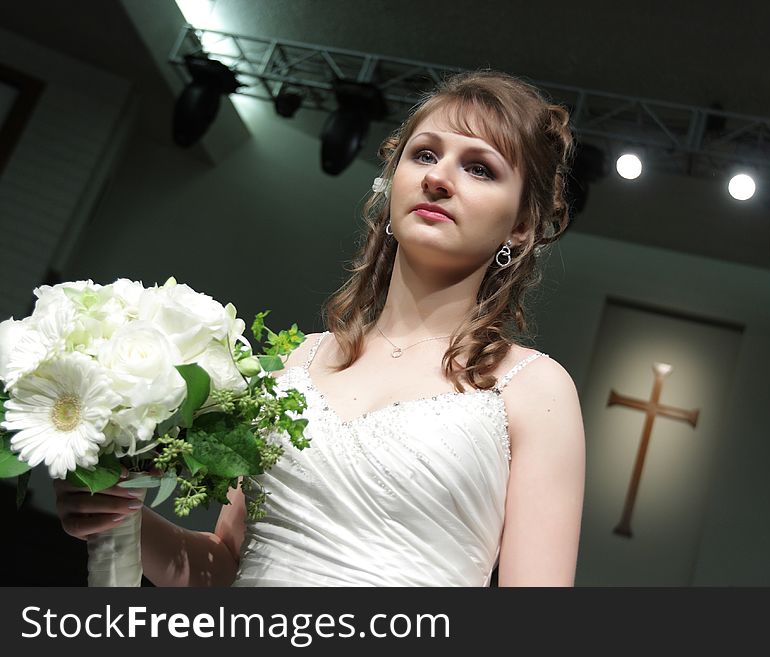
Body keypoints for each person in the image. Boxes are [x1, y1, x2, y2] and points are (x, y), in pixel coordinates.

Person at [54, 70, 586, 586]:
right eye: (424, 154)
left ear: (521, 224)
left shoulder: (531, 389)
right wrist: (120, 517)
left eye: (480, 168)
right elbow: (222, 569)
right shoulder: (297, 363)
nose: (438, 178)